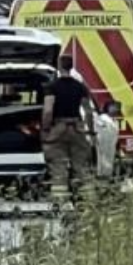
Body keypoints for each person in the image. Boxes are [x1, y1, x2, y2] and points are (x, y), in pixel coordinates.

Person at [42, 54, 96, 202]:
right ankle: (89, 201)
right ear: (71, 66)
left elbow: (48, 110)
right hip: (77, 128)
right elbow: (89, 111)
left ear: (59, 66)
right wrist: (90, 131)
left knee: (58, 167)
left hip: (58, 128)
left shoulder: (51, 87)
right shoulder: (81, 87)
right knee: (82, 166)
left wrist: (46, 130)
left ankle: (60, 203)